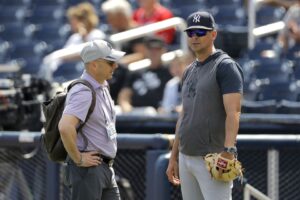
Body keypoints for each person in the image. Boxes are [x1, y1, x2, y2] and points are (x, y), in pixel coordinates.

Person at [166, 11, 243, 200]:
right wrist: (174, 156)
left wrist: (229, 151)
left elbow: (234, 113)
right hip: (186, 156)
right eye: (191, 33)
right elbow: (184, 115)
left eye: (201, 32)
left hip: (213, 157)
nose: (194, 37)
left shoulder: (225, 66)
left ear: (213, 34)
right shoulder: (188, 70)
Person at [58, 40, 125, 200]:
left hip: (104, 167)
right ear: (94, 65)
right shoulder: (83, 90)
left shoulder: (103, 85)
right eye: (110, 62)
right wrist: (78, 158)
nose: (115, 66)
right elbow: (65, 127)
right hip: (89, 170)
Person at [38, 2, 106, 81]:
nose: (71, 24)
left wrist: (84, 38)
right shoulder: (75, 37)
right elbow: (63, 55)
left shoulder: (97, 34)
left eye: (73, 21)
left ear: (83, 21)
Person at [117, 36, 172, 114]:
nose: (154, 53)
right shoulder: (136, 72)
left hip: (156, 113)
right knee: (115, 111)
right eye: (150, 49)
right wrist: (126, 107)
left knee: (149, 112)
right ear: (146, 51)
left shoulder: (170, 72)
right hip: (133, 111)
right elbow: (124, 94)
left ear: (163, 51)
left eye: (157, 49)